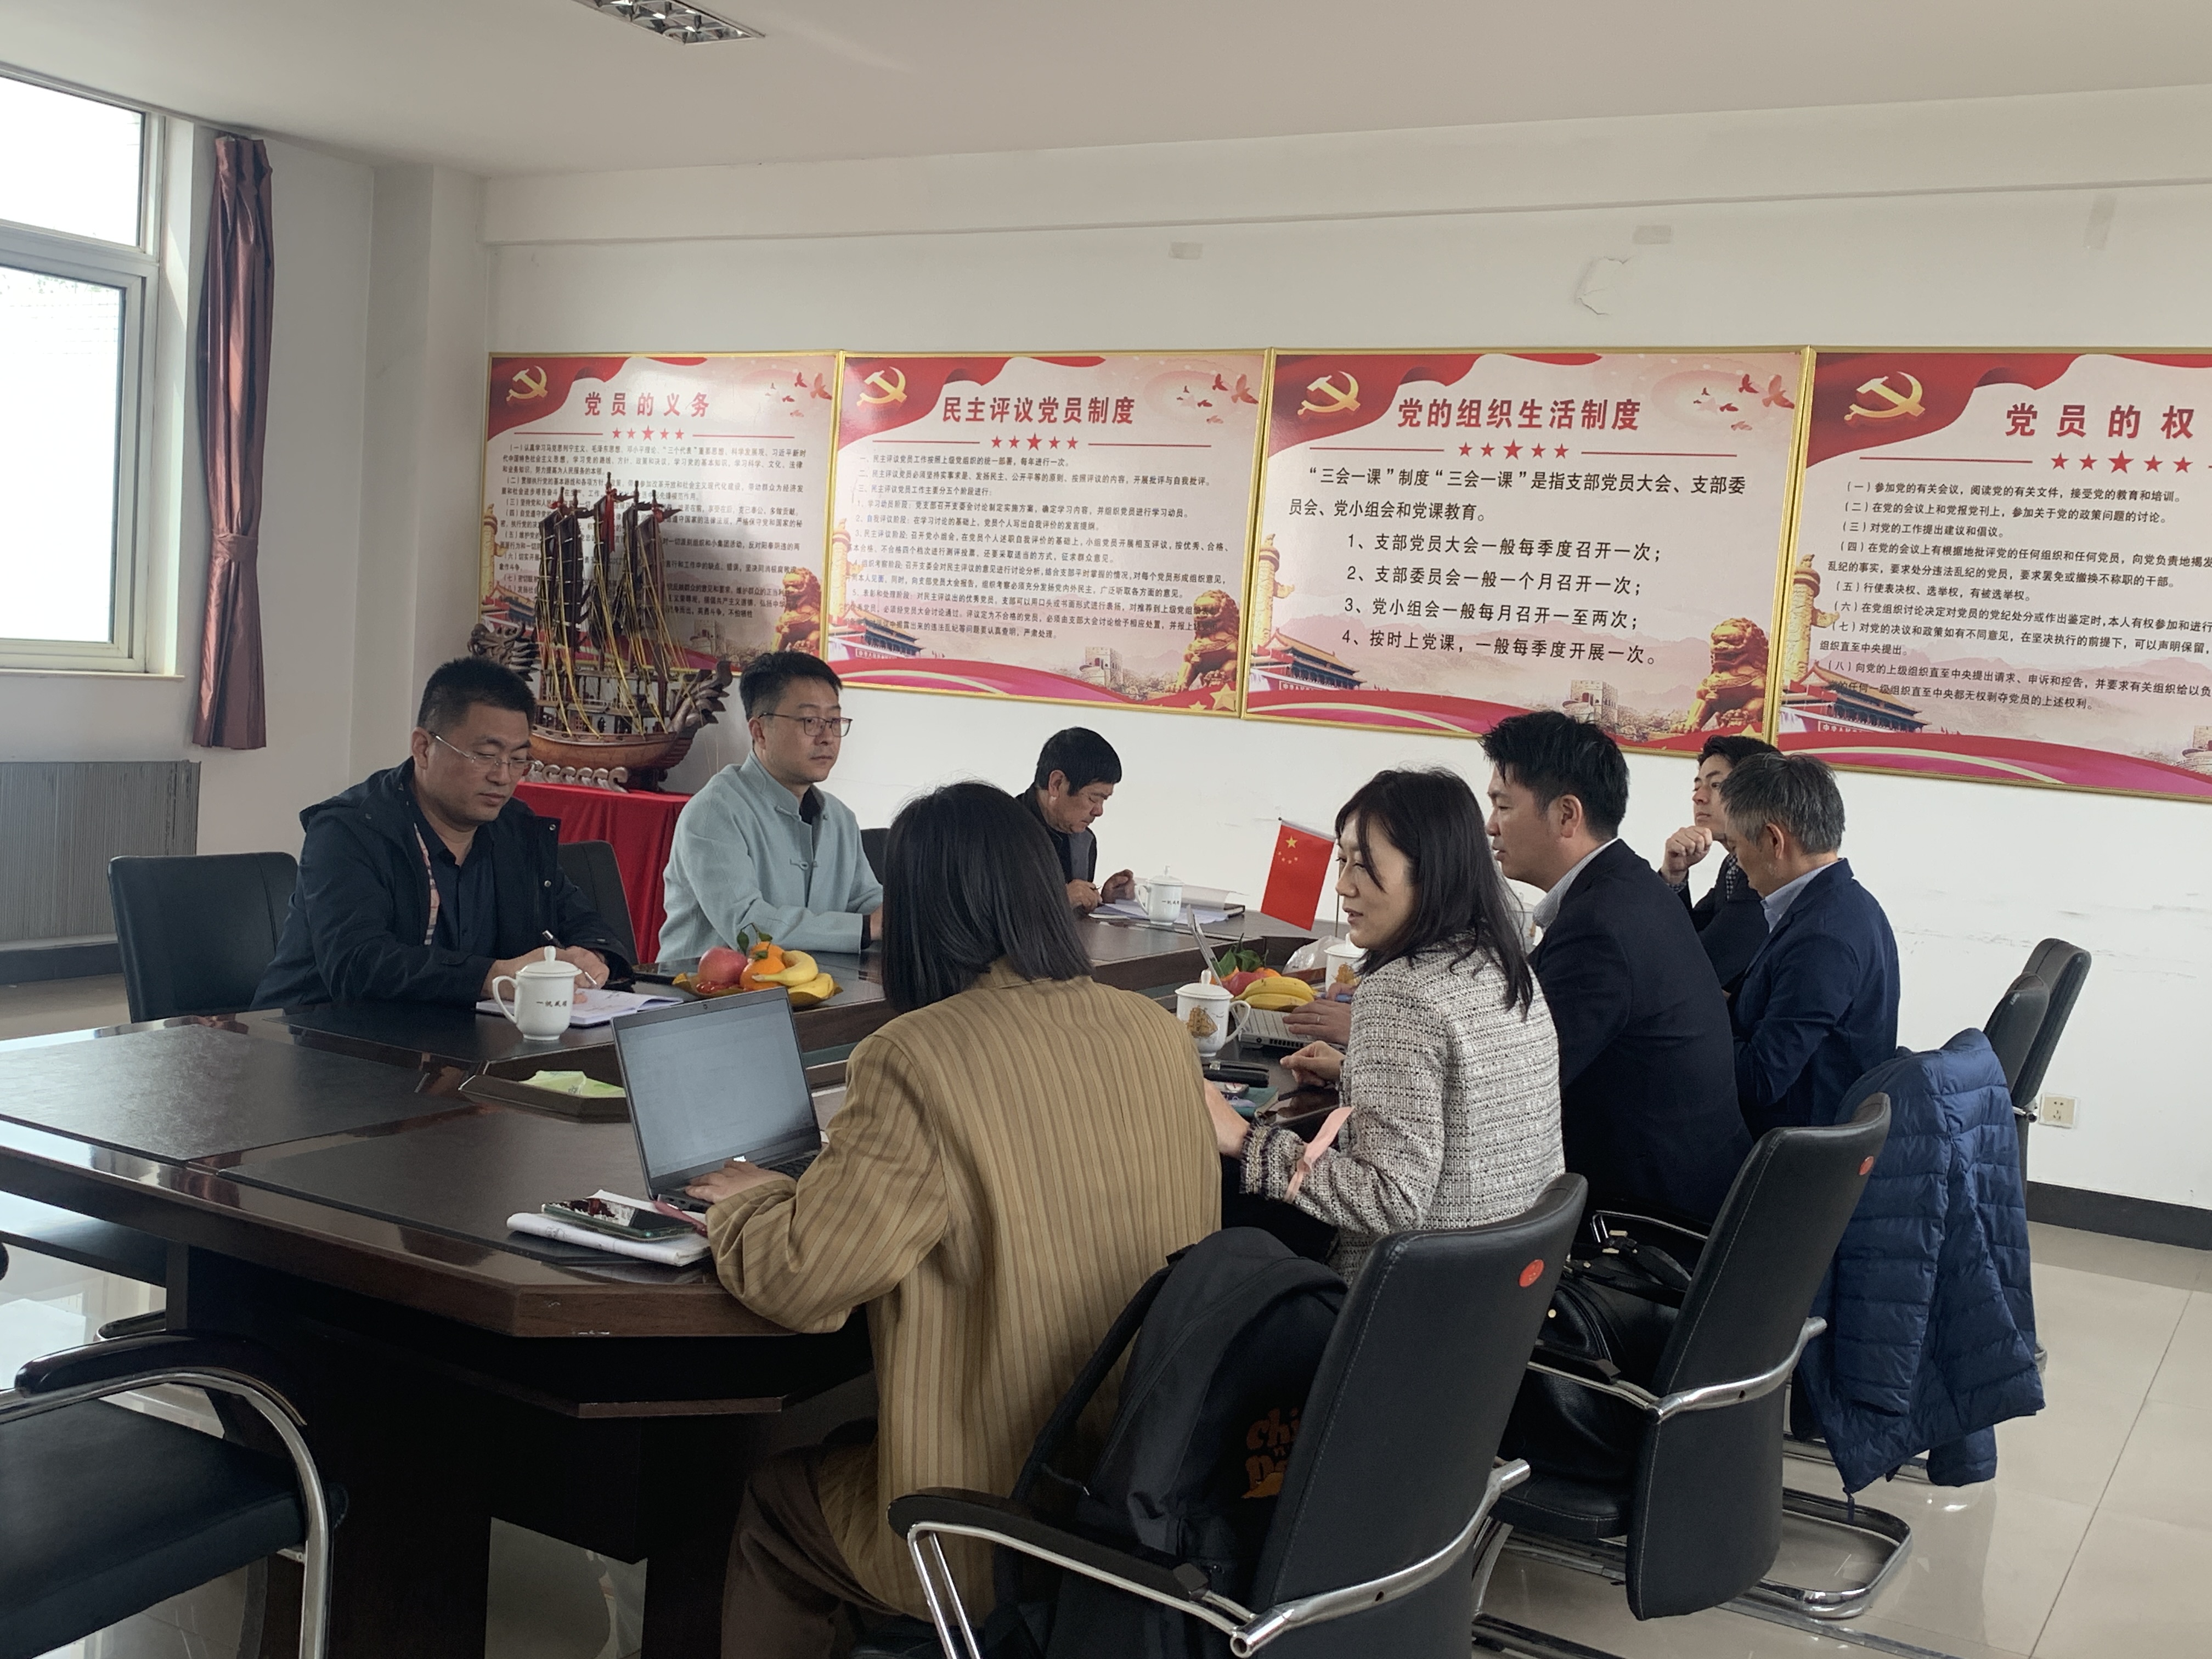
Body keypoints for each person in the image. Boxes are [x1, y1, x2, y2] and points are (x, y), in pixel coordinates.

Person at [684, 782, 1220, 1657]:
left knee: (779, 1507)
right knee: (847, 1443)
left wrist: (753, 1200)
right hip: (1139, 1493)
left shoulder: (914, 1055)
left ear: (918, 914)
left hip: (993, 1521)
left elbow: (804, 1278)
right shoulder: (1155, 1031)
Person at [1207, 769, 1563, 1278]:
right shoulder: (1503, 966)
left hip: (1405, 1300)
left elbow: (1389, 1198)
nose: (1342, 885)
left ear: (1431, 871)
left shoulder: (1400, 992)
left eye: (1364, 863)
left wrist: (1245, 1140)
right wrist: (1357, 1071)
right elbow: (1473, 1098)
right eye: (1343, 860)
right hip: (1502, 1291)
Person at [1480, 710, 1749, 1225]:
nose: (1491, 825)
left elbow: (1515, 1085)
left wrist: (1383, 1057)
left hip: (1644, 1226)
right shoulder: (1629, 887)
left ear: (1567, 815)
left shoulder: (1599, 926)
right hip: (1692, 1191)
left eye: (1503, 805)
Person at [255, 657, 628, 1008]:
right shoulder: (349, 831)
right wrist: (491, 977)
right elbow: (358, 965)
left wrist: (590, 955)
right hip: (313, 1035)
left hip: (454, 1038)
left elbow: (580, 920)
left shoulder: (515, 829)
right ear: (423, 748)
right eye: (486, 755)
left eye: (518, 759)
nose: (503, 776)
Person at [1718, 753, 1900, 1136]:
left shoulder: (1823, 939)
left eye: (1735, 847)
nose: (1737, 862)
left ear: (1773, 840)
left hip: (1790, 1146)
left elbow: (1761, 1080)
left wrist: (1694, 1020)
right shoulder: (1846, 903)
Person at [658, 653, 884, 960]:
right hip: (705, 987)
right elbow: (749, 929)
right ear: (760, 731)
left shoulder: (840, 818)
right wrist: (865, 928)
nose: (827, 737)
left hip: (810, 984)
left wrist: (906, 914)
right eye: (810, 721)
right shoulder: (714, 812)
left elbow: (865, 900)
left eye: (834, 721)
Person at [1659, 732, 1778, 995]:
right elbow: (1689, 932)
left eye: (1716, 785)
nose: (1698, 798)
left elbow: (1697, 966)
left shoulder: (1767, 872)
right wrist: (1674, 875)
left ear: (1756, 794)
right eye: (1697, 786)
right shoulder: (1733, 864)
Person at [1022, 726, 1136, 913]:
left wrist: (1102, 901)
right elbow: (988, 914)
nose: (1099, 811)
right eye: (1093, 798)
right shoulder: (1001, 832)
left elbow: (1074, 917)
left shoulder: (1084, 841)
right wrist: (1059, 900)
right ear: (1057, 784)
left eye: (1104, 800)